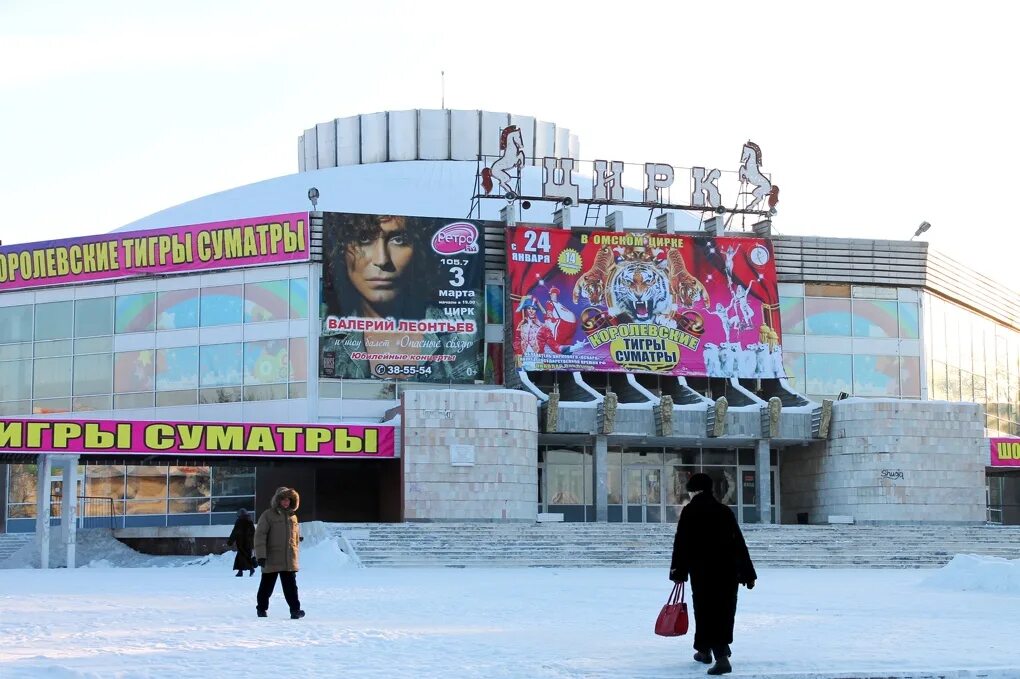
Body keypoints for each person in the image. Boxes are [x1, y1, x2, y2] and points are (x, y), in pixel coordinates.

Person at [319, 213, 482, 382]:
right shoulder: (320, 332)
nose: (382, 260)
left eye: (398, 240)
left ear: (420, 251)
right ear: (341, 250)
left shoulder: (465, 330)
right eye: (364, 239)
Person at [669, 473, 756, 675]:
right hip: (728, 572)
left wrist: (678, 571)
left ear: (695, 491)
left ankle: (721, 656)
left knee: (706, 611)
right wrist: (747, 573)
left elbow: (682, 544)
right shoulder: (724, 511)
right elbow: (738, 543)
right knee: (724, 611)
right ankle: (703, 650)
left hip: (703, 572)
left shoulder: (690, 511)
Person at [254, 487, 304, 619]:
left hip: (288, 559)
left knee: (291, 588)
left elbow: (295, 538)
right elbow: (260, 535)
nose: (286, 502)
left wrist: (295, 552)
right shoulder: (268, 515)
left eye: (288, 499)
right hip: (271, 558)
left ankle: (295, 610)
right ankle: (261, 609)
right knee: (266, 587)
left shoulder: (293, 517)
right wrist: (261, 555)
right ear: (278, 500)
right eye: (283, 499)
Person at [226, 508, 255, 577]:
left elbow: (235, 532)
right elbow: (253, 533)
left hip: (241, 543)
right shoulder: (249, 521)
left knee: (241, 557)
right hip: (248, 543)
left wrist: (230, 541)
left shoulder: (239, 522)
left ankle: (246, 570)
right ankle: (243, 571)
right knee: (245, 557)